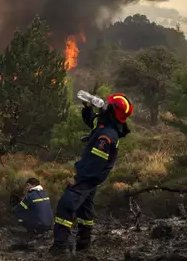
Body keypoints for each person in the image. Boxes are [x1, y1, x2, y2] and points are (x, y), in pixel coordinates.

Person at [50, 93, 134, 255]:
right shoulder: (106, 124)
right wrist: (87, 108)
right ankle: (84, 243)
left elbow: (96, 163)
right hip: (92, 178)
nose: (103, 105)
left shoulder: (107, 136)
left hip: (88, 176)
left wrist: (78, 178)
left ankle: (60, 248)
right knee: (85, 209)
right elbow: (93, 121)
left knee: (66, 206)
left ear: (111, 110)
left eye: (107, 104)